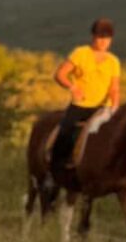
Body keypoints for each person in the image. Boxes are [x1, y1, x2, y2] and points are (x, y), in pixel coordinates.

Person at [46, 18, 121, 193]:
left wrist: (115, 106)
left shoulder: (113, 62)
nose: (103, 42)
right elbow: (60, 74)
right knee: (64, 133)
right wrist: (72, 87)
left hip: (102, 108)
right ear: (93, 37)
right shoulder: (81, 54)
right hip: (80, 106)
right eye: (100, 37)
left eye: (107, 38)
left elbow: (114, 88)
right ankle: (53, 174)